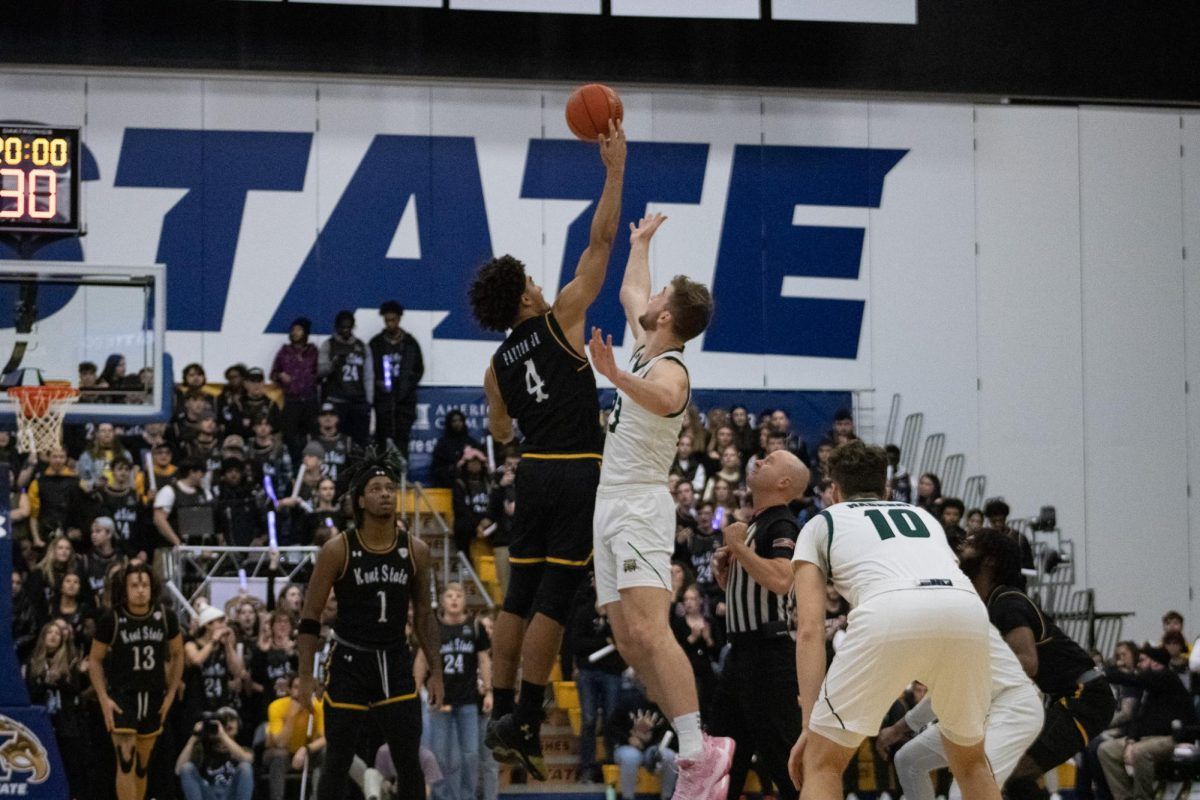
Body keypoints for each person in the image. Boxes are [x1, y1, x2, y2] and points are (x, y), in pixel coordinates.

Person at [471, 118, 625, 779]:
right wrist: (614, 170)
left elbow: (501, 432)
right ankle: (526, 717)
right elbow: (602, 239)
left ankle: (500, 706)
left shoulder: (495, 365)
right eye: (531, 279)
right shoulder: (562, 318)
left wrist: (521, 423)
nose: (538, 282)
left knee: (517, 595)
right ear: (527, 294)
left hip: (532, 472)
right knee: (555, 599)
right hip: (576, 470)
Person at [587, 211, 729, 800]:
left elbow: (669, 401)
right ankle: (693, 738)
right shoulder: (649, 341)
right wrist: (641, 242)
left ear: (667, 316)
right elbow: (631, 289)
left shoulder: (668, 367)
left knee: (652, 630)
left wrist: (615, 373)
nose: (652, 296)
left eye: (663, 295)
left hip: (641, 504)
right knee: (626, 639)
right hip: (609, 502)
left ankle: (700, 751)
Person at [788, 441, 999, 800]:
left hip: (889, 611)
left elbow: (809, 630)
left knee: (822, 763)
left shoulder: (822, 522)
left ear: (834, 491)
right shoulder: (923, 517)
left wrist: (810, 724)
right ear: (886, 490)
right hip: (965, 611)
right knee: (971, 762)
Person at [296, 447, 443, 800]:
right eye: (376, 489)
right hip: (350, 659)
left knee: (408, 759)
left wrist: (436, 670)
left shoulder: (417, 550)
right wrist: (304, 675)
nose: (385, 495)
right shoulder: (338, 549)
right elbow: (310, 616)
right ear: (359, 500)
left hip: (393, 658)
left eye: (390, 488)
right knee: (339, 758)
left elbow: (424, 615)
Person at [957, 528, 1114, 800]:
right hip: (1066, 697)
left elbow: (1027, 663)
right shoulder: (992, 602)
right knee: (1012, 776)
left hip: (1084, 697)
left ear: (990, 560)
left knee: (1012, 770)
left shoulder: (1007, 602)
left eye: (970, 543)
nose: (961, 548)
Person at [711, 448, 810, 800]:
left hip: (768, 656)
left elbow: (783, 580)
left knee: (784, 760)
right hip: (740, 655)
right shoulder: (756, 524)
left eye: (770, 460)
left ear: (784, 482)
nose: (759, 460)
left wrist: (738, 548)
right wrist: (728, 574)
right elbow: (754, 586)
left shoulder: (782, 523)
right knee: (721, 760)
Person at [88, 561, 184, 800]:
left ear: (152, 587)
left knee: (142, 764)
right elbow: (94, 660)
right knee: (126, 759)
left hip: (153, 695)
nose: (140, 589)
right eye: (134, 585)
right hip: (123, 695)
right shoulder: (113, 619)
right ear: (125, 588)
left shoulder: (165, 617)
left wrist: (171, 692)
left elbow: (178, 653)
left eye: (144, 584)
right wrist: (103, 698)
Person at [417, 583, 492, 800]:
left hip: (468, 701)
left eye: (459, 595)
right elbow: (422, 658)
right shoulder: (433, 628)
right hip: (440, 701)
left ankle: (466, 796)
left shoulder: (475, 627)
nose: (454, 599)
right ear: (442, 601)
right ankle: (442, 797)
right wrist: (416, 687)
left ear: (464, 601)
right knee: (440, 756)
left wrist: (488, 691)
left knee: (470, 754)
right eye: (449, 595)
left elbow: (484, 660)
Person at [1097, 645, 1197, 800]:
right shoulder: (1148, 688)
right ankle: (1124, 797)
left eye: (1142, 660)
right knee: (1106, 749)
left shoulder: (1166, 677)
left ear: (1156, 663)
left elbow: (1130, 679)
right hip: (1145, 738)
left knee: (1140, 752)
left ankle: (1142, 797)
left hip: (1169, 738)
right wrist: (1130, 741)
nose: (1138, 664)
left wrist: (1104, 673)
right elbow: (1137, 718)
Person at [370, 299, 425, 458]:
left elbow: (419, 369)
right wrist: (376, 383)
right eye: (387, 320)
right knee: (381, 440)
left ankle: (401, 475)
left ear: (399, 319)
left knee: (402, 441)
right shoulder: (377, 343)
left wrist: (407, 385)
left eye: (393, 320)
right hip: (383, 400)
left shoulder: (410, 343)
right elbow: (368, 371)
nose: (390, 324)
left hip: (404, 402)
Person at [265, 673, 326, 800]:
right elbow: (280, 743)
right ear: (289, 689)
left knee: (325, 754)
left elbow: (325, 738)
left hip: (307, 753)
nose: (300, 692)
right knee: (279, 755)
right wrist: (292, 716)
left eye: (304, 687)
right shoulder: (276, 706)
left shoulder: (318, 707)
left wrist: (306, 749)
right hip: (283, 752)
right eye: (296, 687)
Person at [319, 309, 374, 447]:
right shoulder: (329, 345)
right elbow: (320, 371)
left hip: (358, 401)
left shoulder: (362, 347)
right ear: (336, 327)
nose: (345, 330)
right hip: (337, 401)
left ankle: (359, 468)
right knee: (339, 441)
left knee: (360, 442)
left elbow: (368, 375)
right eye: (342, 327)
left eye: (348, 327)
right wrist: (333, 364)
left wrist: (369, 401)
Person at [175, 706, 255, 800]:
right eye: (224, 721)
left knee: (245, 766)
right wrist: (194, 737)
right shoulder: (202, 749)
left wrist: (223, 736)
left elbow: (247, 760)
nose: (228, 723)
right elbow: (179, 770)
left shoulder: (243, 750)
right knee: (187, 767)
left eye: (232, 719)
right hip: (208, 794)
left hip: (231, 794)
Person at [271, 315, 320, 460]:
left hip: (310, 399)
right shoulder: (284, 352)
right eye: (293, 330)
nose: (295, 333)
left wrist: (310, 379)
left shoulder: (313, 352)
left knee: (313, 436)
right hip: (292, 400)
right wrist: (281, 375)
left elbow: (320, 374)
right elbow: (273, 373)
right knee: (291, 437)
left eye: (298, 330)